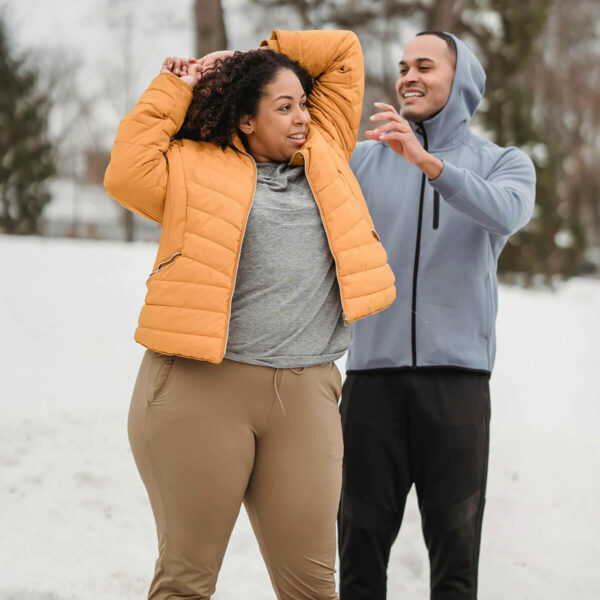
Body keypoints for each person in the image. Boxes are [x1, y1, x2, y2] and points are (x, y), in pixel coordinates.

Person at [103, 29, 395, 600]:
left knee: (312, 588)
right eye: (283, 107)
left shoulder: (327, 148)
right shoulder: (191, 168)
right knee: (187, 581)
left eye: (303, 104)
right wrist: (180, 83)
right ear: (245, 120)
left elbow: (343, 50)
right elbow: (125, 170)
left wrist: (241, 59)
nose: (301, 118)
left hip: (307, 391)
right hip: (200, 390)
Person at [337, 31, 536, 599]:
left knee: (455, 570)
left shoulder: (504, 164)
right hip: (371, 383)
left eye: (424, 65)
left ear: (461, 79)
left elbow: (507, 213)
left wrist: (428, 164)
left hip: (458, 387)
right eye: (402, 67)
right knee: (357, 563)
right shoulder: (364, 161)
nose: (408, 77)